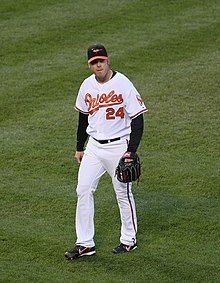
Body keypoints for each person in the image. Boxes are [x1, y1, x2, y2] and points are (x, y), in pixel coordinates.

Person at [65, 44, 148, 260]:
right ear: (89, 65)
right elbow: (83, 118)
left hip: (118, 146)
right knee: (83, 190)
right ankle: (85, 244)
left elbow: (138, 119)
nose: (98, 65)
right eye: (94, 62)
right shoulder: (86, 85)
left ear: (108, 60)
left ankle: (129, 240)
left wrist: (130, 151)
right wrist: (79, 147)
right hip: (94, 146)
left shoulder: (123, 83)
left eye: (101, 61)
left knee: (123, 193)